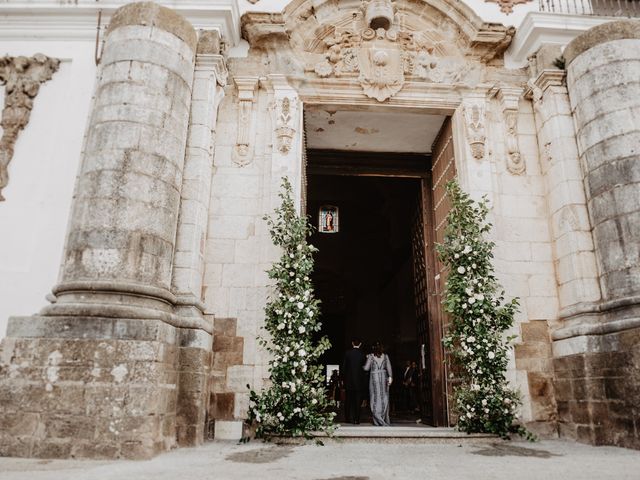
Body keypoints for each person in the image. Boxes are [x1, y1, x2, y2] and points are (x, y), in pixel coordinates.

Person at [363, 342, 393, 426]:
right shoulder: (386, 356)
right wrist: (390, 377)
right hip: (384, 377)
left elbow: (366, 368)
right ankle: (383, 418)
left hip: (374, 378)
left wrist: (366, 360)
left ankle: (377, 418)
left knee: (374, 397)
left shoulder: (371, 356)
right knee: (384, 397)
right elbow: (389, 368)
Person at [342, 337, 366, 424]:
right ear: (360, 344)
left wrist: (343, 380)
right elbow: (365, 369)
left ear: (352, 343)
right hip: (359, 383)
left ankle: (347, 419)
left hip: (349, 382)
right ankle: (356, 419)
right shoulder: (363, 354)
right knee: (357, 402)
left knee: (348, 401)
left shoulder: (347, 353)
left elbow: (344, 368)